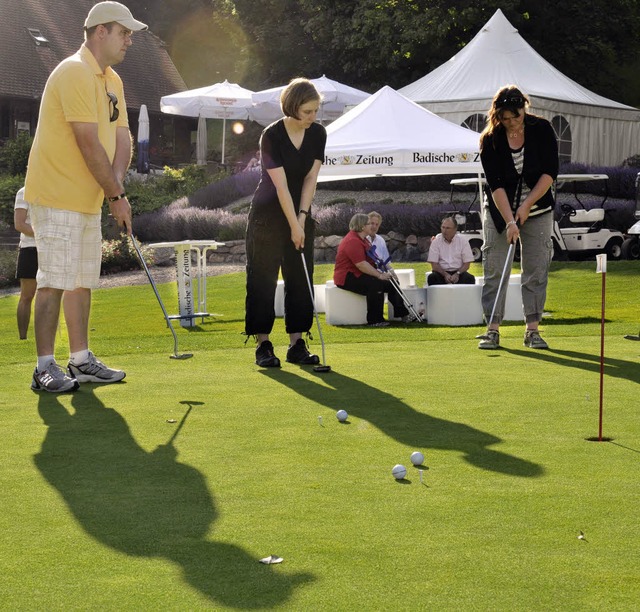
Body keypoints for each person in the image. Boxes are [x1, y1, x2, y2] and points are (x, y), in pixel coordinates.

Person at [24, 1, 147, 391]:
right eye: (123, 32)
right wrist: (115, 197)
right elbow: (87, 142)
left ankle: (80, 360)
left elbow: (121, 137)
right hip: (57, 192)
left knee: (81, 280)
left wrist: (115, 187)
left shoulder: (112, 80)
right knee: (53, 280)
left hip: (88, 197)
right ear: (100, 32)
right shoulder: (74, 72)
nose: (129, 39)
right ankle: (44, 367)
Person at [244, 78, 326, 367]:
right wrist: (293, 225)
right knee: (262, 279)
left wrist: (302, 220)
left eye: (316, 111)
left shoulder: (318, 134)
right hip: (267, 217)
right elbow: (280, 187)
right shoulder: (271, 136)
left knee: (301, 279)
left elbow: (310, 179)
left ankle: (296, 345)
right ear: (292, 107)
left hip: (300, 214)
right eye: (307, 112)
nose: (313, 117)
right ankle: (263, 345)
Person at [477, 85, 558, 350]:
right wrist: (510, 220)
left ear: (525, 108)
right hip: (500, 213)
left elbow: (549, 174)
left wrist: (525, 208)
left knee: (535, 269)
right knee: (494, 267)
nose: (511, 122)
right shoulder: (490, 140)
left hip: (538, 209)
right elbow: (495, 184)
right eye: (505, 118)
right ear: (497, 114)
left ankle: (532, 331)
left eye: (516, 116)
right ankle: (492, 329)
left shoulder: (542, 129)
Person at [333, 213, 412, 326]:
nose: (372, 226)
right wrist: (379, 275)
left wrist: (388, 273)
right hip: (347, 277)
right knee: (375, 284)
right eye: (369, 223)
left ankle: (403, 314)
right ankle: (375, 320)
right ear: (362, 226)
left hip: (359, 274)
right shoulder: (352, 241)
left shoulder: (364, 240)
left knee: (390, 282)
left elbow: (375, 260)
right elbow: (361, 264)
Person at [14, 187, 37, 340]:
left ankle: (48, 337)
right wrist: (45, 234)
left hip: (50, 250)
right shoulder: (24, 192)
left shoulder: (53, 190)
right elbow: (20, 224)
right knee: (26, 296)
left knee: (52, 295)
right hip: (30, 249)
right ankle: (23, 338)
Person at [427, 216, 476, 285]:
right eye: (443, 227)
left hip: (459, 272)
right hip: (441, 272)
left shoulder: (463, 241)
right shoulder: (436, 241)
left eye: (448, 228)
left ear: (455, 229)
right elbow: (434, 265)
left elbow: (467, 264)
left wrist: (457, 274)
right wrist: (445, 274)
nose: (444, 230)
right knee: (432, 278)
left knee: (469, 278)